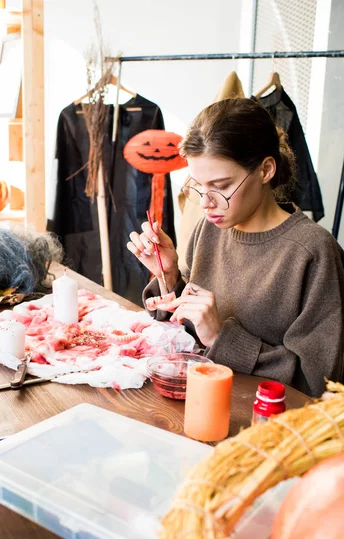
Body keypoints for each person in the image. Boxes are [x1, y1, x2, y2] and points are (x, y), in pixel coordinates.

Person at [127, 98, 344, 398]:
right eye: (199, 187)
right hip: (200, 403)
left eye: (222, 186)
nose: (206, 203)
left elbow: (318, 384)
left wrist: (221, 336)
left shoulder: (313, 253)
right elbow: (190, 333)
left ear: (266, 170)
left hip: (267, 429)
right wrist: (169, 276)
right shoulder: (211, 229)